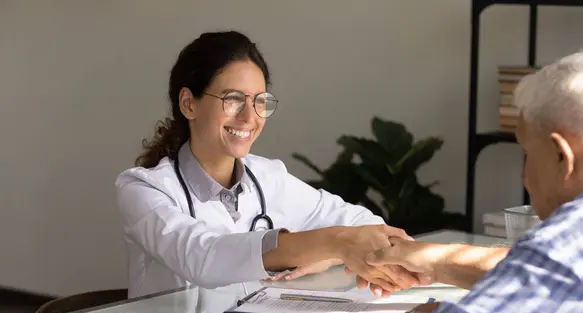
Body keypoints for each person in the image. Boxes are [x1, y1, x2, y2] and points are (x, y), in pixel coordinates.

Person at [355, 49, 583, 313]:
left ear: (562, 155)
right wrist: (440, 262)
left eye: (526, 153)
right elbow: (541, 277)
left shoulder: (574, 243)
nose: (524, 175)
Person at [115, 31, 417, 299]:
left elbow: (363, 222)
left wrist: (328, 255)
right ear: (188, 103)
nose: (250, 117)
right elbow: (203, 258)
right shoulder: (143, 189)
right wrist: (335, 243)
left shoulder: (268, 176)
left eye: (260, 101)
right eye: (232, 99)